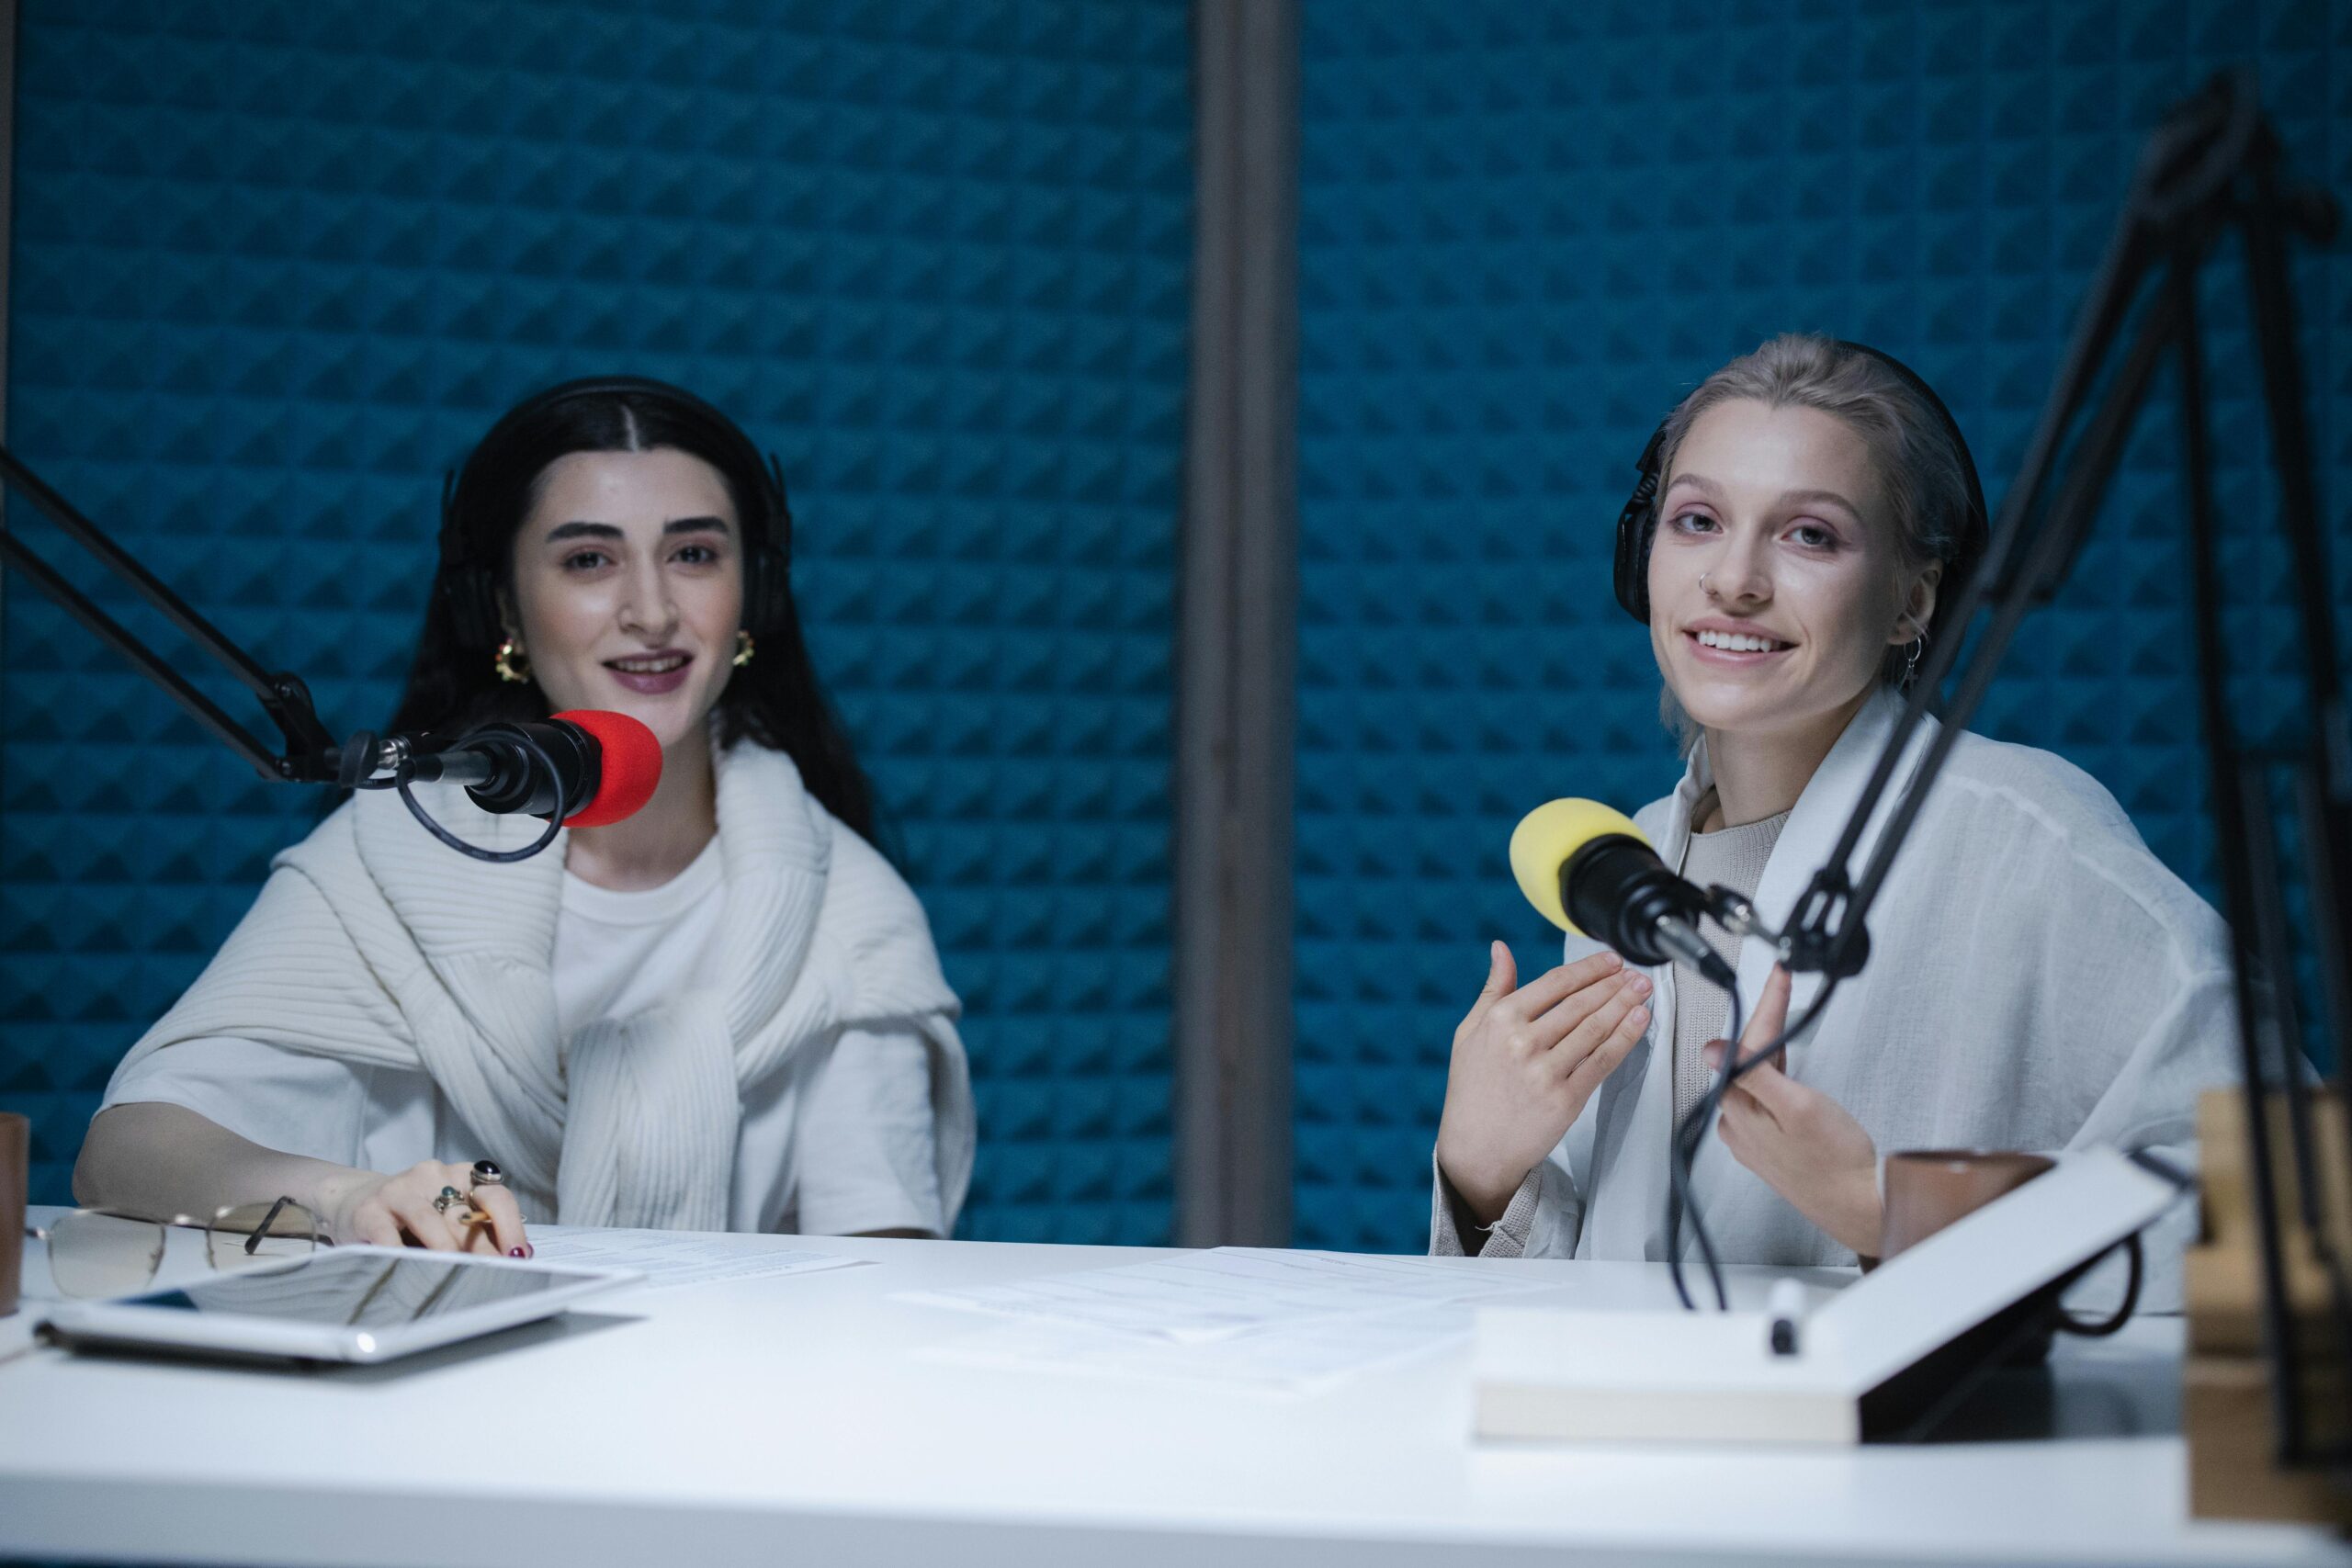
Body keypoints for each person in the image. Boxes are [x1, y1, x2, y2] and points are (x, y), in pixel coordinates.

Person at [75, 377, 973, 1253]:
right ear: (501, 607)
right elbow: (125, 1153)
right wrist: (348, 1199)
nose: (651, 611)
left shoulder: (849, 911)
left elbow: (882, 1263)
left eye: (694, 554)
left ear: (756, 598)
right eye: (589, 560)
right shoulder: (390, 860)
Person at [1430, 334, 2233, 1303]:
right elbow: (1616, 1279)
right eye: (1695, 520)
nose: (1733, 579)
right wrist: (1482, 1174)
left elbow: (2266, 1201)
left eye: (1808, 535)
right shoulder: (1620, 867)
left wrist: (1878, 1203)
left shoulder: (2028, 839)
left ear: (1912, 600)